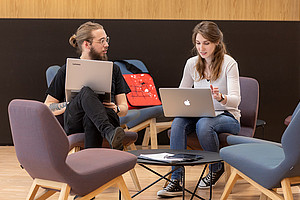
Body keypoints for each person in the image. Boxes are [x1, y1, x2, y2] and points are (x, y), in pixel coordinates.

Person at [157, 21, 241, 197]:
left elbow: (236, 100)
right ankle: (176, 179)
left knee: (204, 124)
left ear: (217, 41)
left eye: (206, 43)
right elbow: (182, 93)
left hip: (227, 116)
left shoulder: (229, 63)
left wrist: (221, 97)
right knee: (178, 123)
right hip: (200, 114)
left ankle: (216, 167)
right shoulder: (192, 64)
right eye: (198, 43)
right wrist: (179, 103)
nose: (201, 48)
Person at [44, 21, 130, 150]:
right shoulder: (66, 70)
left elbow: (124, 108)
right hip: (76, 121)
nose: (106, 44)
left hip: (107, 115)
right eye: (101, 41)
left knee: (91, 117)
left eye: (106, 40)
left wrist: (117, 108)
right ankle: (109, 132)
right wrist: (68, 104)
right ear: (87, 44)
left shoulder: (114, 69)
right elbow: (48, 105)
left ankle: (90, 165)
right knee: (86, 91)